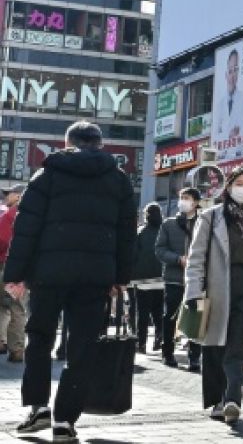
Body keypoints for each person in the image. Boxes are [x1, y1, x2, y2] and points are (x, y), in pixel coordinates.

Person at [3, 121, 136, 443]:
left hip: (49, 274)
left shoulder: (46, 175)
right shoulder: (119, 180)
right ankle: (65, 421)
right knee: (82, 347)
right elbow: (126, 234)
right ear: (100, 145)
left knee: (40, 337)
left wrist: (15, 275)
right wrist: (120, 277)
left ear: (67, 143)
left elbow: (27, 229)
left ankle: (38, 408)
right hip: (95, 277)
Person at [185, 167, 243, 426]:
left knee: (238, 347)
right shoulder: (210, 217)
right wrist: (193, 293)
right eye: (239, 182)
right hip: (215, 291)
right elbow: (195, 260)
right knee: (214, 348)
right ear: (228, 186)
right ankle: (217, 400)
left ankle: (232, 399)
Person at [156, 186, 203, 371]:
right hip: (174, 279)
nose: (183, 201)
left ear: (196, 202)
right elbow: (159, 249)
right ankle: (167, 353)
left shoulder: (204, 223)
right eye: (182, 197)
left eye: (188, 198)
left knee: (196, 317)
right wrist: (177, 259)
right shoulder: (168, 224)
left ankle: (194, 357)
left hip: (198, 280)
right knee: (170, 317)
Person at [130, 202, 165, 355]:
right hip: (161, 278)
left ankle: (141, 343)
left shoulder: (140, 232)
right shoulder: (164, 231)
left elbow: (134, 255)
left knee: (142, 313)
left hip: (142, 279)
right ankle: (159, 338)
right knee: (158, 311)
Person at [0, 184, 27, 362]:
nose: (6, 197)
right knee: (18, 308)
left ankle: (1, 341)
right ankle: (17, 349)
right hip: (24, 267)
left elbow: (2, 239)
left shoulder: (10, 215)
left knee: (3, 305)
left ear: (18, 196)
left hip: (5, 264)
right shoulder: (35, 215)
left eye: (9, 194)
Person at [213, 47, 243, 150]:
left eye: (235, 70)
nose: (233, 75)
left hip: (239, 155)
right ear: (225, 74)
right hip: (222, 157)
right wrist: (228, 135)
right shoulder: (219, 105)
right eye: (230, 71)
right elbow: (215, 136)